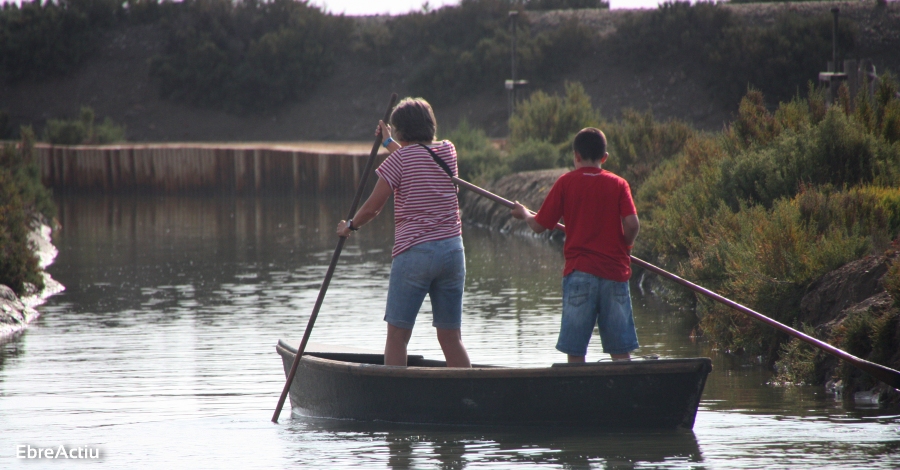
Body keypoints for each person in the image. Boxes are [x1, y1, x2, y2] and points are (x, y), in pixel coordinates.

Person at [336, 97, 471, 368]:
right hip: (452, 252)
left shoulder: (399, 160)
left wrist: (350, 225)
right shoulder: (448, 151)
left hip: (415, 253)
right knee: (450, 337)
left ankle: (393, 402)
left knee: (397, 337)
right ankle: (468, 397)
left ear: (401, 131)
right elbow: (419, 157)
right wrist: (388, 143)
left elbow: (373, 207)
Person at [510, 127, 640, 363]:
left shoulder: (566, 183)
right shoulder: (619, 184)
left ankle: (578, 396)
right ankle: (625, 396)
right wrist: (626, 247)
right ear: (605, 157)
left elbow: (539, 225)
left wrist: (525, 214)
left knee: (576, 351)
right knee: (621, 352)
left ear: (576, 156)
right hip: (615, 275)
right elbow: (632, 224)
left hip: (580, 274)